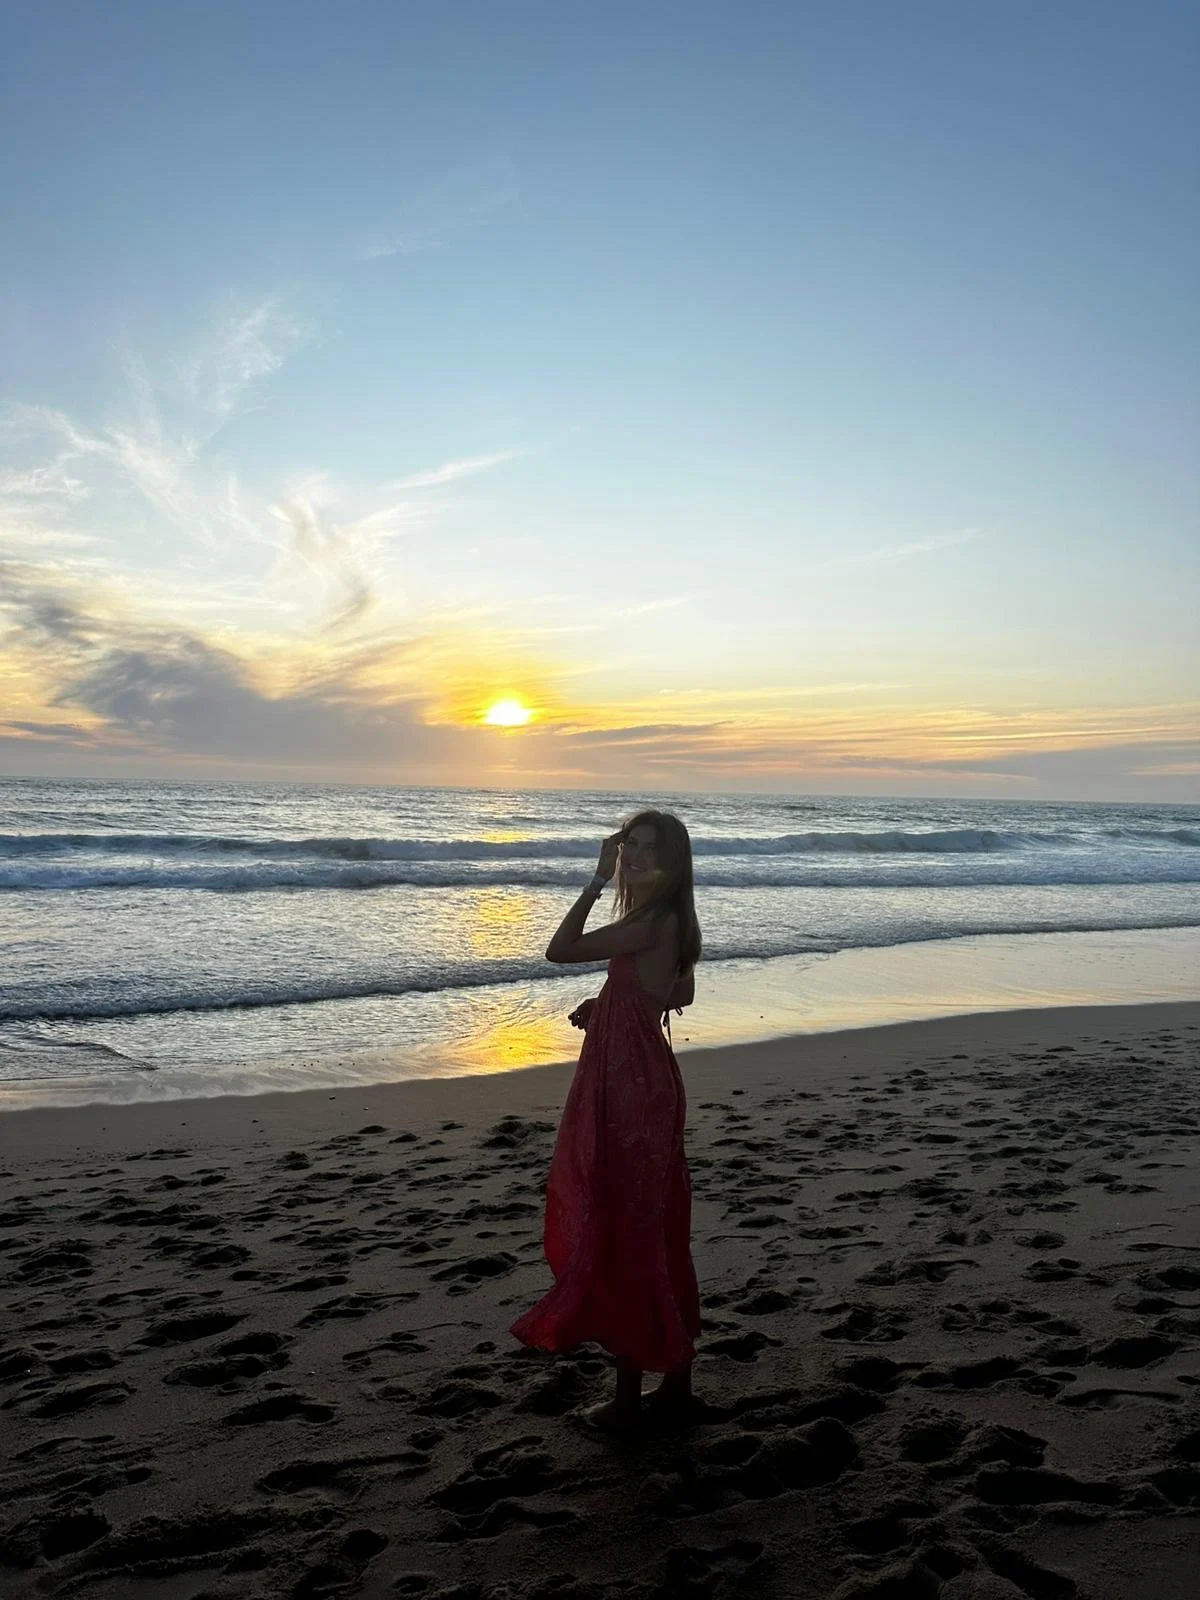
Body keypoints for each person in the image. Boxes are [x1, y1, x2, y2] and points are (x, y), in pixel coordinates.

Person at [509, 809, 703, 1433]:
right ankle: (674, 1383)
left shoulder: (649, 920)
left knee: (629, 1231)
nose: (636, 858)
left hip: (630, 1090)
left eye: (649, 850)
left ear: (672, 861)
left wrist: (594, 880)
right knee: (654, 1228)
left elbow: (558, 950)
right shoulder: (671, 921)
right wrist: (616, 1000)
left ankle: (627, 1404)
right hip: (644, 1079)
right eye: (629, 849)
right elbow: (680, 993)